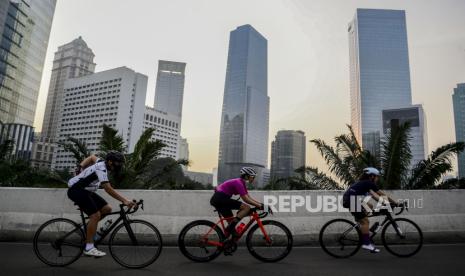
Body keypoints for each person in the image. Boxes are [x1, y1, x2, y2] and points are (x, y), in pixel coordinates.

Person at [67, 151, 135, 257]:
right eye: (118, 163)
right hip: (76, 190)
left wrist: (81, 166)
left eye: (120, 163)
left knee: (107, 209)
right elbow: (108, 188)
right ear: (110, 161)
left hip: (86, 191)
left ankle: (89, 231)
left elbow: (92, 157)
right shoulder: (101, 168)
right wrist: (125, 201)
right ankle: (89, 247)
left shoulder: (103, 163)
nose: (119, 165)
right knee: (95, 215)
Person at [342, 167, 399, 253]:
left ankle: (361, 224)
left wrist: (385, 203)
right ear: (371, 176)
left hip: (351, 199)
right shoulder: (369, 183)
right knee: (365, 222)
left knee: (370, 205)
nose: (377, 178)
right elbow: (381, 194)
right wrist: (395, 203)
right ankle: (366, 243)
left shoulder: (365, 184)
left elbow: (375, 197)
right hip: (352, 200)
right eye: (377, 176)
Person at [210, 167, 264, 238]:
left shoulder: (241, 183)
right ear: (246, 176)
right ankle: (230, 228)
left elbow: (248, 197)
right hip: (221, 198)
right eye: (252, 177)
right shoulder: (238, 183)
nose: (253, 178)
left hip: (219, 199)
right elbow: (246, 199)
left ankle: (224, 243)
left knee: (231, 223)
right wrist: (260, 205)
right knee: (246, 208)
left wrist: (261, 205)